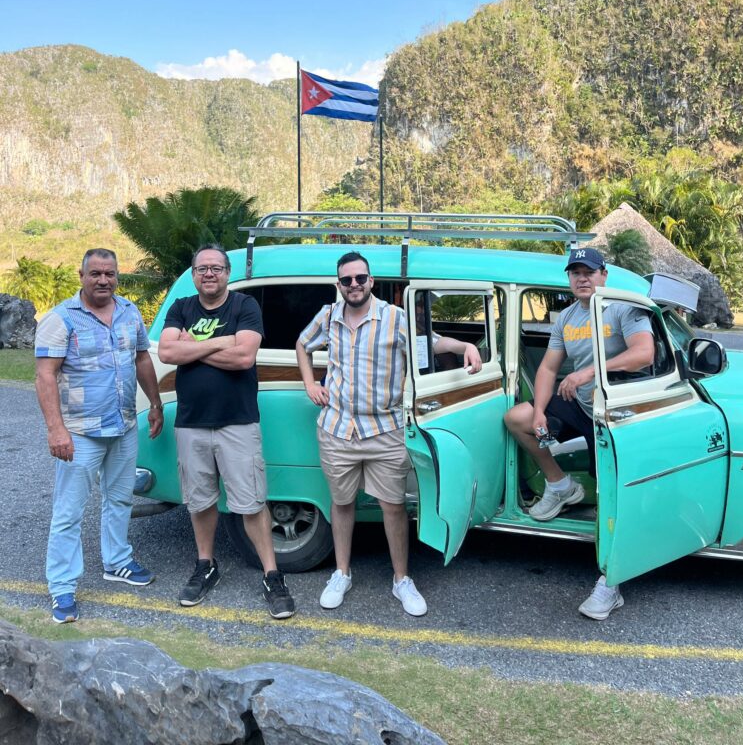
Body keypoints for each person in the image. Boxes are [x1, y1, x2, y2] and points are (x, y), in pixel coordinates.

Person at [296, 251, 483, 616]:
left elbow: (433, 342)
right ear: (339, 285)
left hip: (385, 429)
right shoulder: (328, 316)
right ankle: (341, 573)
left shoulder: (395, 318)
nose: (354, 285)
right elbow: (303, 345)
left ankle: (401, 580)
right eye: (347, 280)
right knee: (342, 502)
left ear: (371, 281)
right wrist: (309, 384)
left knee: (393, 506)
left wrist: (467, 346)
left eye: (360, 278)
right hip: (337, 427)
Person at [504, 246, 654, 620]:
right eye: (575, 272)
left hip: (618, 411)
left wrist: (589, 371)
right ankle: (560, 485)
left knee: (612, 497)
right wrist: (539, 410)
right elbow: (548, 369)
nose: (582, 278)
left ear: (604, 275)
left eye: (589, 271)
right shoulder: (567, 317)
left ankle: (611, 582)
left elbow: (644, 354)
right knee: (518, 418)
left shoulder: (623, 307)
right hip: (581, 404)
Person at [158, 244, 294, 619]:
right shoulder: (181, 306)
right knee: (200, 501)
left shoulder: (244, 306)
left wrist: (195, 345)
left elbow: (244, 357)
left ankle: (272, 574)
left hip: (237, 421)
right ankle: (206, 564)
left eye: (216, 268)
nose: (209, 274)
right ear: (194, 274)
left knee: (251, 501)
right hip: (191, 421)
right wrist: (222, 341)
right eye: (202, 269)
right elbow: (167, 353)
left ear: (227, 273)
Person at [35, 248, 163, 624]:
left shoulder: (129, 311)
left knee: (120, 499)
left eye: (110, 274)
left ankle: (117, 562)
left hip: (122, 424)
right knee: (69, 513)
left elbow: (142, 358)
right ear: (82, 275)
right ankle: (61, 588)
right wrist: (56, 429)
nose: (103, 280)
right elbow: (45, 375)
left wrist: (154, 403)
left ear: (117, 276)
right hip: (81, 432)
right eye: (96, 274)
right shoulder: (61, 319)